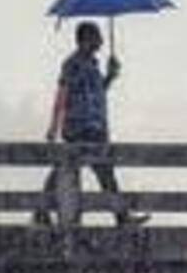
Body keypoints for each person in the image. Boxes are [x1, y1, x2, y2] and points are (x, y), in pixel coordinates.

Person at [34, 21, 149, 227]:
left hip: (95, 128)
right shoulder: (72, 64)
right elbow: (63, 93)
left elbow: (94, 94)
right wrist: (53, 126)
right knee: (69, 170)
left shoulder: (93, 65)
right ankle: (120, 217)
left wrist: (110, 78)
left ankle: (121, 217)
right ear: (85, 39)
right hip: (78, 127)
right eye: (97, 37)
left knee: (101, 173)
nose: (102, 41)